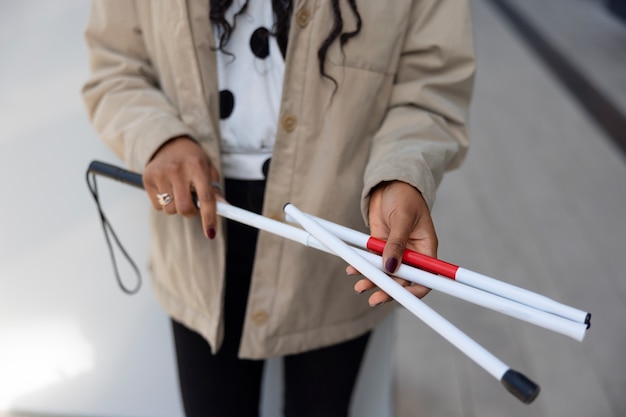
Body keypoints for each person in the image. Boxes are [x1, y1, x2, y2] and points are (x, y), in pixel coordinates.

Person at [82, 0, 475, 416]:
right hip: (200, 227)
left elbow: (431, 83)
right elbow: (116, 64)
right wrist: (160, 139)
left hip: (337, 231)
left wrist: (401, 175)